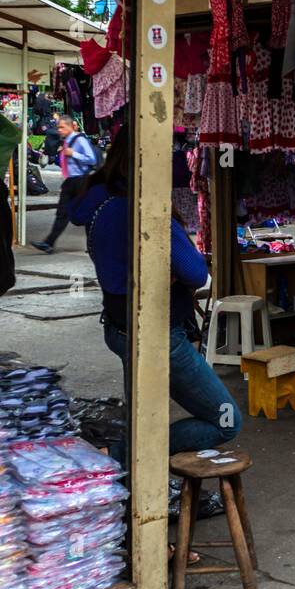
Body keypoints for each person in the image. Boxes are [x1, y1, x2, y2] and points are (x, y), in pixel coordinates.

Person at [68, 139, 241, 469]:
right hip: (159, 335)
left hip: (120, 327)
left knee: (144, 412)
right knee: (226, 419)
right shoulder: (144, 208)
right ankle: (118, 460)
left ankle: (126, 468)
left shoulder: (98, 202)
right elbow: (195, 272)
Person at [33, 117, 97, 253]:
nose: (59, 130)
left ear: (70, 127)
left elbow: (92, 158)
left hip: (81, 180)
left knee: (87, 213)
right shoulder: (66, 141)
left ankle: (92, 244)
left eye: (62, 127)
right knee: (62, 213)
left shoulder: (79, 140)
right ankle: (49, 243)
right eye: (58, 127)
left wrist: (74, 153)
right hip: (70, 181)